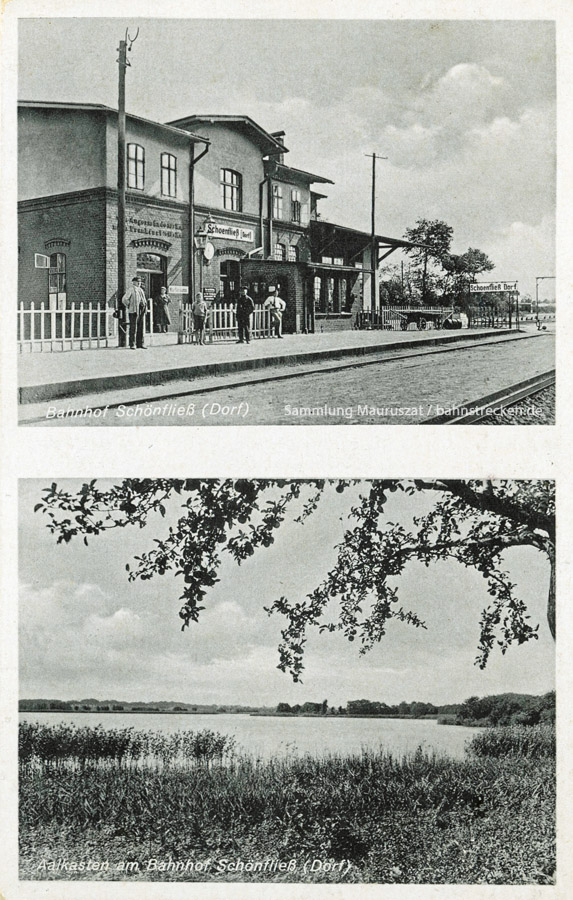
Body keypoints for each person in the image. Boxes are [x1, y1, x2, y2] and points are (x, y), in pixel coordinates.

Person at [121, 276, 148, 349]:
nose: (139, 283)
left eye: (140, 282)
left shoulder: (141, 290)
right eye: (137, 282)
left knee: (141, 327)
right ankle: (132, 344)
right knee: (133, 327)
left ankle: (140, 343)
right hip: (134, 311)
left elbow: (144, 299)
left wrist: (145, 307)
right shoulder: (131, 290)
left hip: (141, 310)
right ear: (134, 282)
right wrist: (130, 306)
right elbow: (124, 299)